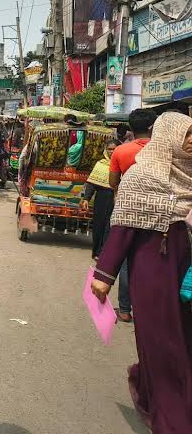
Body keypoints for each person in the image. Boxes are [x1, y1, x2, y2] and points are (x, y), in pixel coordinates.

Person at [91, 112, 192, 434]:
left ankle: (154, 395)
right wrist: (104, 275)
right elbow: (121, 229)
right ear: (170, 136)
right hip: (154, 273)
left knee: (183, 343)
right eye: (188, 135)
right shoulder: (142, 176)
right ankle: (174, 421)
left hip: (186, 274)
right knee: (166, 345)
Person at [107, 108, 157, 323]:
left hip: (127, 210)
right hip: (157, 211)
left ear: (131, 128)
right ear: (152, 127)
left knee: (126, 261)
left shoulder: (120, 151)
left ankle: (125, 309)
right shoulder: (163, 151)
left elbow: (112, 182)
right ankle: (148, 310)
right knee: (152, 260)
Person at [80, 139, 120, 259]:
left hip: (116, 197)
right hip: (101, 197)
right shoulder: (100, 164)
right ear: (105, 150)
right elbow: (92, 183)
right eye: (109, 149)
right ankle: (96, 251)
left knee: (110, 225)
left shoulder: (122, 164)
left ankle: (104, 251)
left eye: (114, 149)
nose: (112, 152)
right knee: (98, 224)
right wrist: (86, 198)